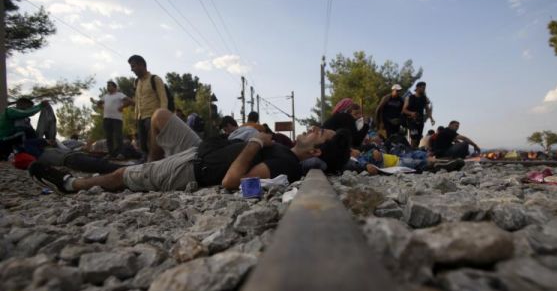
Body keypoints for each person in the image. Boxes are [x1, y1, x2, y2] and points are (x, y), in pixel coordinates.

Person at [29, 108, 351, 194]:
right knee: (161, 117)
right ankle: (149, 161)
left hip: (191, 167)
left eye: (318, 132)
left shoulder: (287, 163)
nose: (312, 128)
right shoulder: (283, 148)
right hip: (201, 149)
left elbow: (231, 182)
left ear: (318, 152)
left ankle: (70, 184)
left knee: (120, 175)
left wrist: (255, 142)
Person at [122, 55, 168, 161]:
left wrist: (162, 119)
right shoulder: (136, 82)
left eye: (133, 66)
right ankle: (146, 163)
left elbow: (163, 99)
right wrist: (136, 117)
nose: (131, 69)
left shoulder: (155, 79)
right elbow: (138, 100)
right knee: (143, 145)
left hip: (153, 118)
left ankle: (156, 165)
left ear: (141, 65)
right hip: (140, 118)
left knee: (155, 145)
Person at [91, 80, 127, 158]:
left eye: (110, 86)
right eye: (107, 86)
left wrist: (122, 107)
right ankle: (111, 154)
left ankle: (121, 153)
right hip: (107, 118)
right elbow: (99, 103)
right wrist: (102, 107)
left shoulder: (119, 95)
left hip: (117, 118)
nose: (108, 87)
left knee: (118, 136)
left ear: (115, 87)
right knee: (108, 136)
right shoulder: (105, 96)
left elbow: (128, 101)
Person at [402, 82, 434, 148]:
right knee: (414, 137)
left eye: (424, 88)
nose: (424, 89)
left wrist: (431, 118)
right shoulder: (409, 98)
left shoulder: (424, 98)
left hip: (420, 120)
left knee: (419, 138)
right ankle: (412, 151)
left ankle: (414, 150)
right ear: (417, 88)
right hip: (411, 120)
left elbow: (427, 109)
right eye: (422, 88)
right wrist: (411, 113)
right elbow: (404, 110)